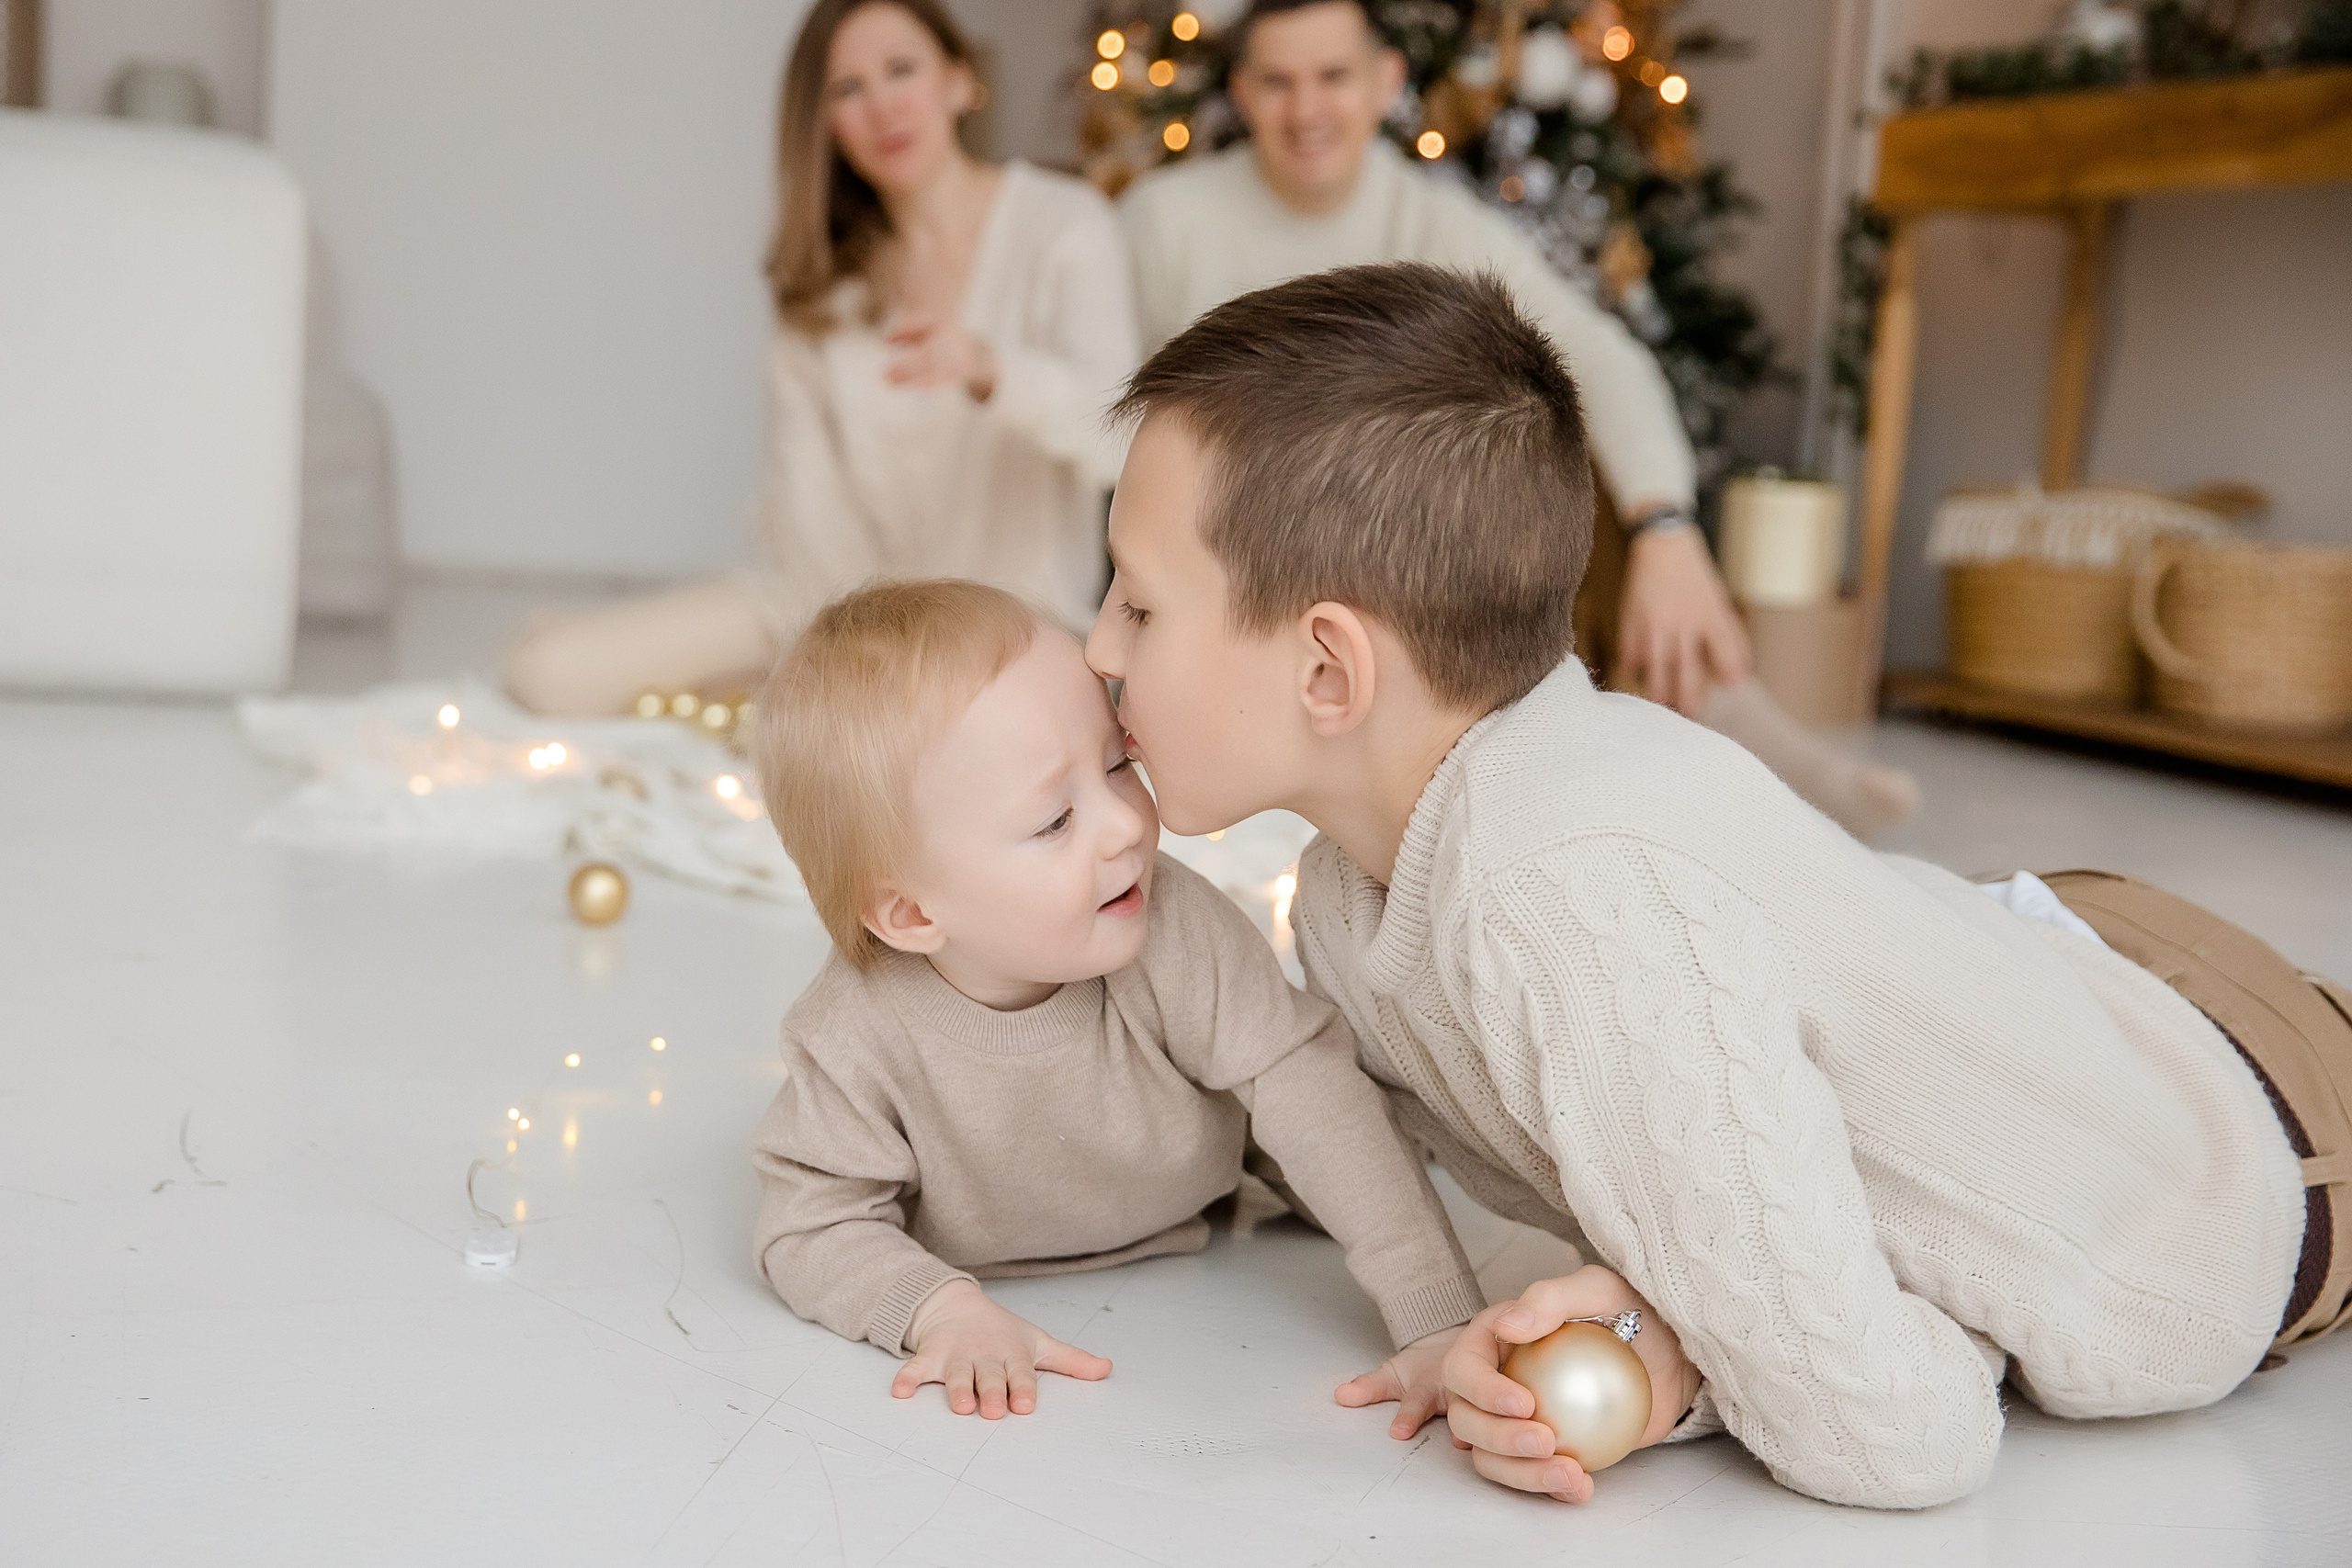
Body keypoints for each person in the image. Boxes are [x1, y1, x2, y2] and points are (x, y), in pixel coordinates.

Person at [1083, 263, 2351, 1508]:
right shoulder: (1359, 881)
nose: (1096, 645)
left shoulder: (1563, 906)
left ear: (1327, 671)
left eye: (1137, 604)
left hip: (2243, 1160)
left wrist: (1678, 1360)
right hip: (2075, 957)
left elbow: (1902, 1436)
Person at [1117, 0, 1916, 839]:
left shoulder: (1434, 219)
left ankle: (1730, 719)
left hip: (1395, 549)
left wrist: (1667, 527)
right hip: (1236, 559)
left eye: (1333, 78)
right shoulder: (1162, 220)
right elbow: (1107, 414)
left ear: (1386, 83)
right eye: (1278, 82)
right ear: (1242, 94)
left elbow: (1600, 354)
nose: (1307, 109)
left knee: (1548, 426)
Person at [740, 579, 1481, 1419]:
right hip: (994, 1268)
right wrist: (940, 1311)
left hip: (1220, 1181)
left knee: (1367, 1123)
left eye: (1117, 762)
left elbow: (1305, 1087)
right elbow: (808, 1226)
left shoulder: (1175, 927)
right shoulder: (854, 1034)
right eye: (1056, 820)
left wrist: (1437, 1316)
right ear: (912, 913)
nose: (1126, 825)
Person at [503, 0, 1138, 716]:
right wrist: (849, 646)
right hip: (845, 617)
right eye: (847, 89)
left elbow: (1118, 441)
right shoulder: (823, 287)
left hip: (1013, 632)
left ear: (960, 82)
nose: (882, 109)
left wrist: (991, 370)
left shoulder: (1066, 224)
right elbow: (812, 528)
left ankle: (759, 695)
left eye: (902, 70)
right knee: (544, 673)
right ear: (826, 122)